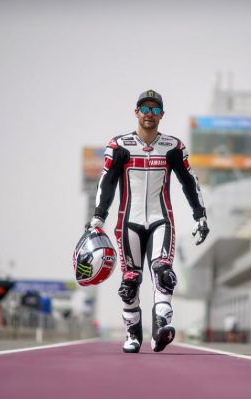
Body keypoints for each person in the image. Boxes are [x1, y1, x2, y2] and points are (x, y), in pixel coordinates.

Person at [88, 89, 209, 353]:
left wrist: (200, 215)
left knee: (163, 273)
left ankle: (160, 329)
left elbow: (189, 181)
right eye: (144, 109)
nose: (149, 114)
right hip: (127, 222)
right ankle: (132, 335)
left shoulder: (173, 147)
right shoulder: (119, 145)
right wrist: (99, 216)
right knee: (130, 281)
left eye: (155, 110)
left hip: (161, 220)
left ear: (162, 115)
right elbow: (107, 181)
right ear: (136, 112)